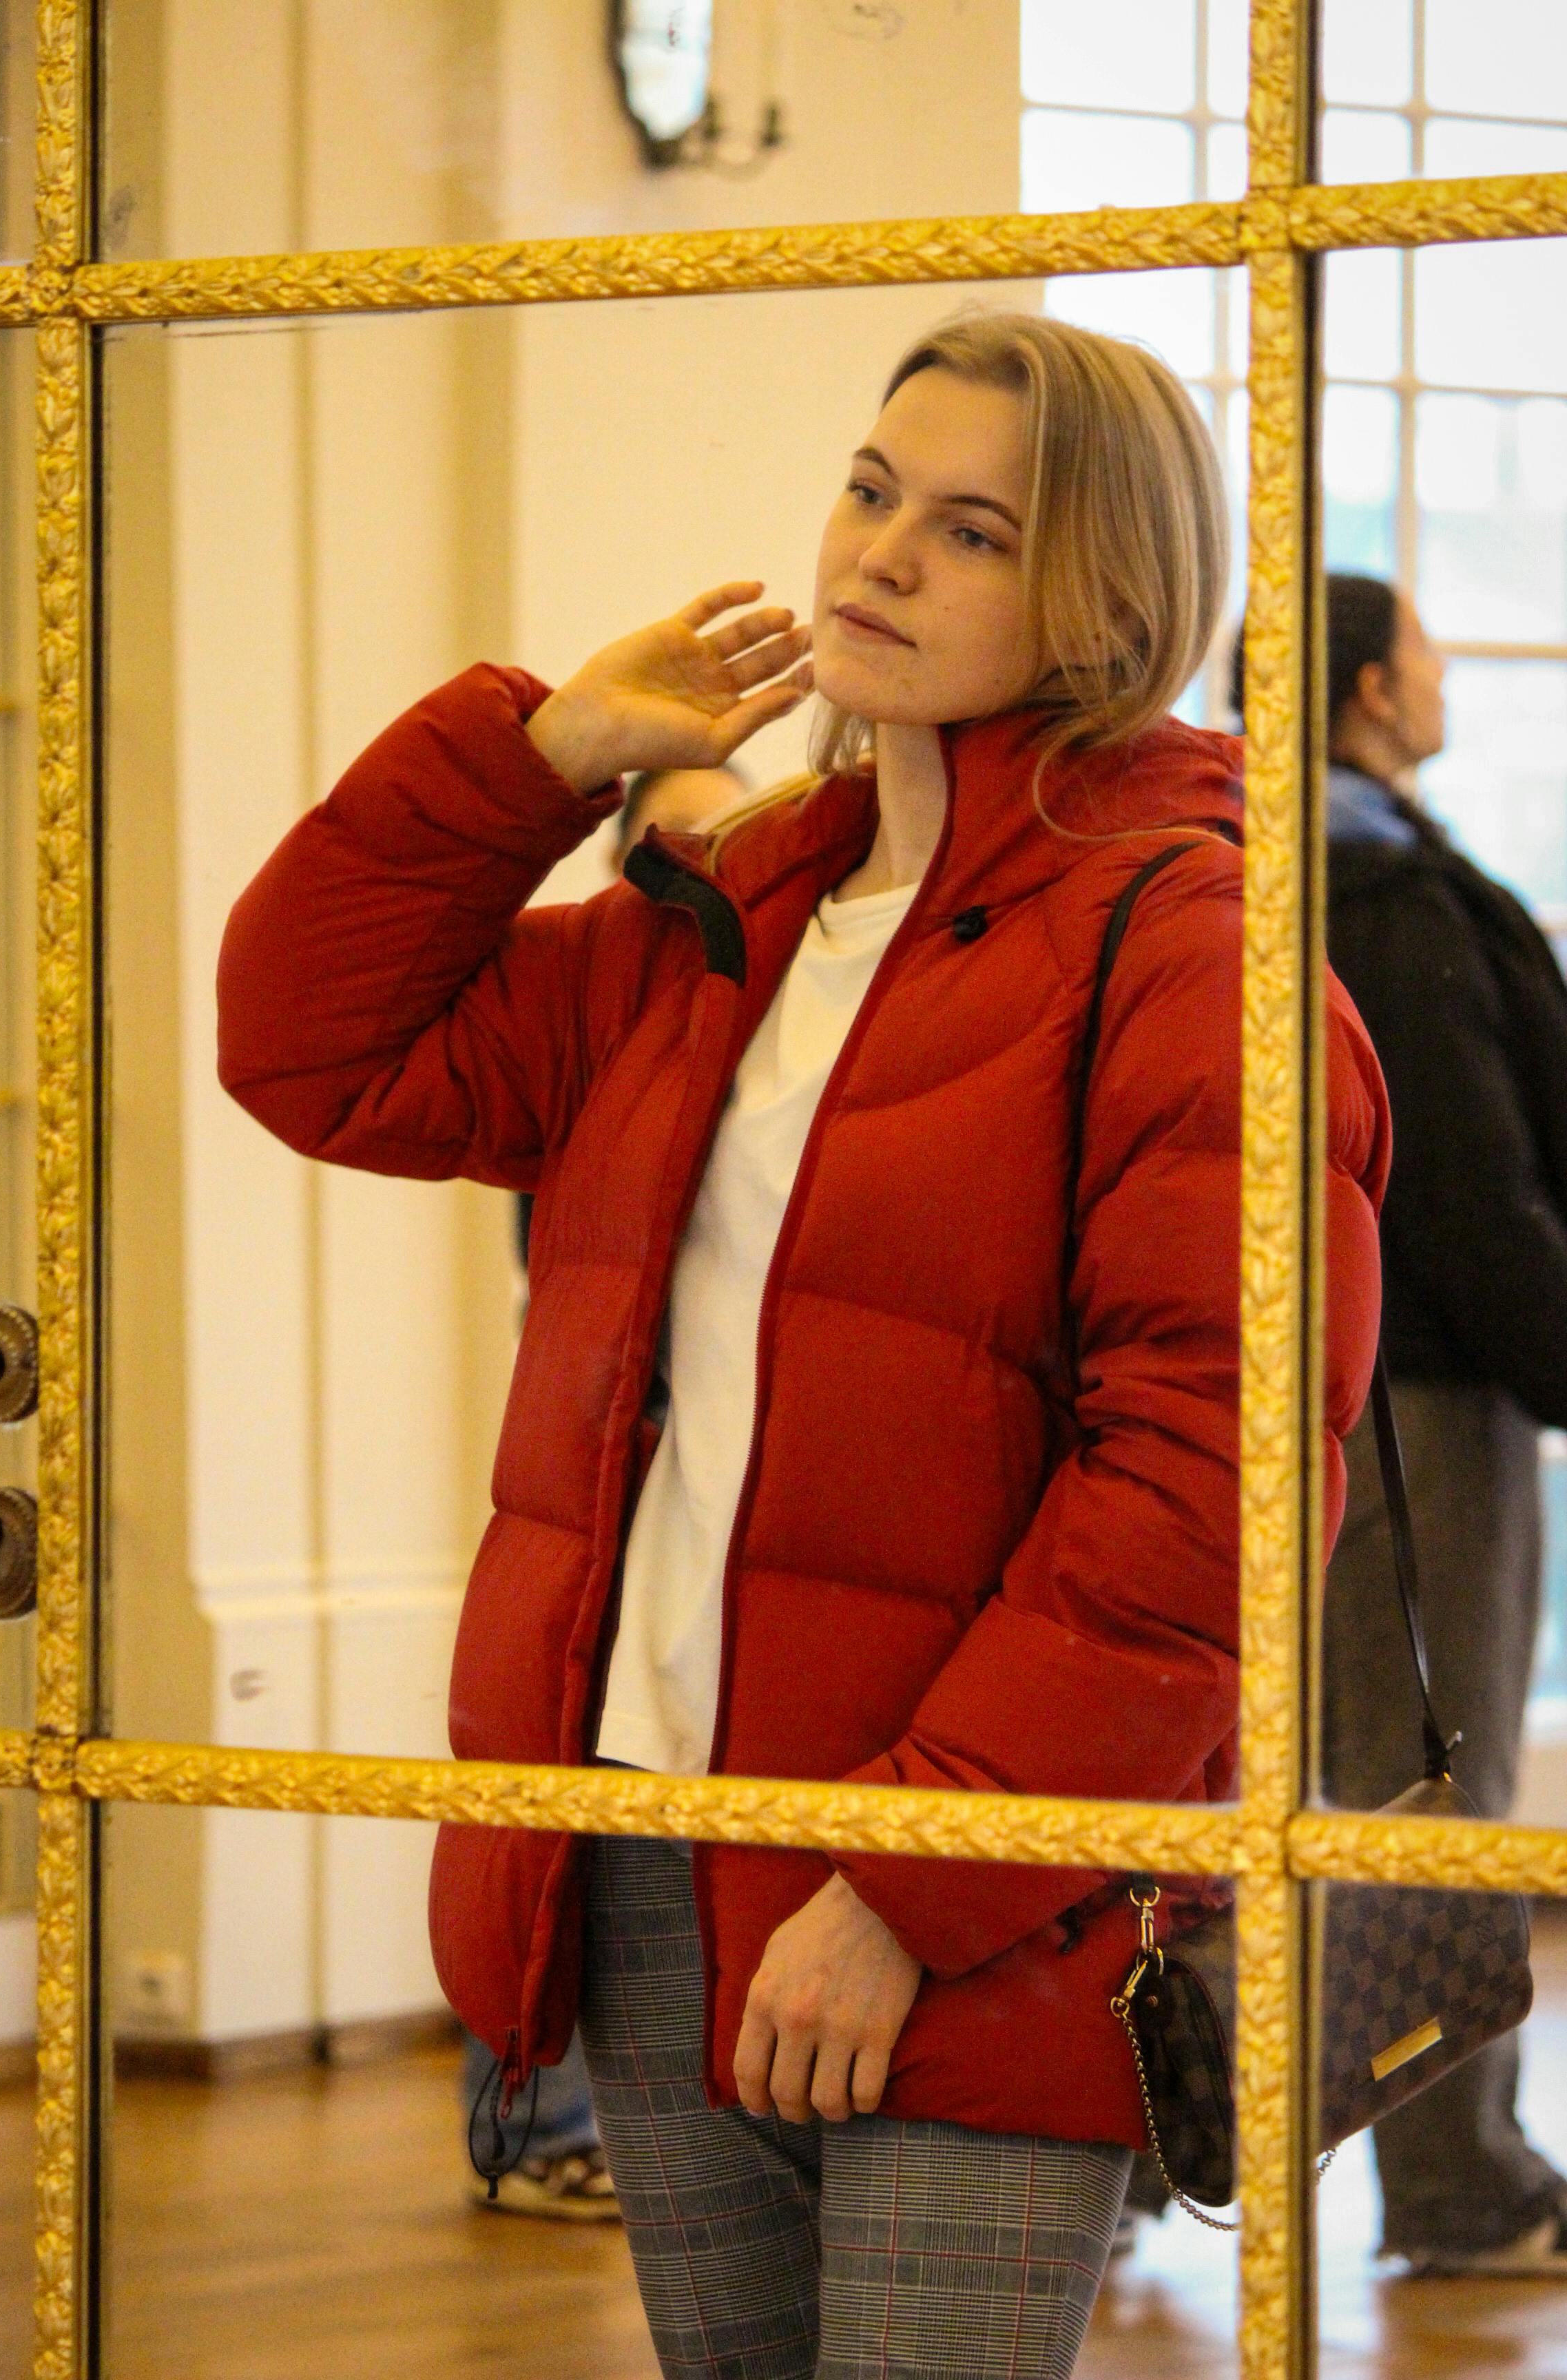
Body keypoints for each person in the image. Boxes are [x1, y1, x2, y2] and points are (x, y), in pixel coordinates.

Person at [217, 313, 1388, 2379]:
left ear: (1107, 599)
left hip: (975, 1892)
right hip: (660, 1857)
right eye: (870, 492)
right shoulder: (741, 907)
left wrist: (913, 1878)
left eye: (970, 530)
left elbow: (1211, 1489)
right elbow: (314, 1051)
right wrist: (538, 757)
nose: (880, 558)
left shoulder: (1185, 940)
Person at [1282, 574, 1567, 2277]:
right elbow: (1467, 1187)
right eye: (1437, 653)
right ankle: (1460, 2184)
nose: (1451, 675)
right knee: (1428, 1780)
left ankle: (1455, 2170)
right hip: (1420, 1399)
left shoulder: (1315, 862)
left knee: (1386, 1773)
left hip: (1371, 1381)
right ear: (1376, 688)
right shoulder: (1372, 884)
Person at [462, 760, 749, 2223]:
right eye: (677, 836)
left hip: (687, 1472)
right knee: (547, 1789)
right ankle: (528, 2119)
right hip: (608, 1471)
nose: (707, 854)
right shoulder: (603, 1026)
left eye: (728, 828)